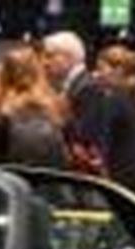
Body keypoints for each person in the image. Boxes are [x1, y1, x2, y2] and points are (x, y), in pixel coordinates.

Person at [0, 45, 69, 169]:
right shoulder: (56, 106)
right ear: (38, 73)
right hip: (52, 181)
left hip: (14, 184)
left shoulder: (0, 113)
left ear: (4, 75)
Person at [44, 31, 110, 169]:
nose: (45, 62)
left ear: (69, 57)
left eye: (50, 56)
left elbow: (85, 137)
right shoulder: (76, 85)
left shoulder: (87, 87)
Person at [96, 44, 135, 195]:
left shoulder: (114, 101)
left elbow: (104, 146)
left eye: (101, 69)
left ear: (118, 70)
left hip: (118, 183)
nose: (98, 74)